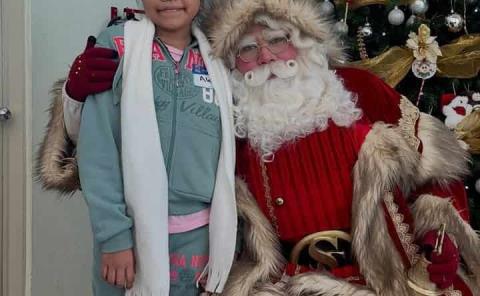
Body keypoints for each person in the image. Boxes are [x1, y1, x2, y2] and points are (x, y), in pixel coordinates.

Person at [39, 0, 480, 295]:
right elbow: (114, 149)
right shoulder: (235, 115)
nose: (266, 57)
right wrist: (75, 100)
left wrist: (438, 238)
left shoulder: (359, 90)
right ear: (233, 62)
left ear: (303, 40)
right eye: (248, 49)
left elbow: (435, 167)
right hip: (278, 283)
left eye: (277, 40)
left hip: (380, 277)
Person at [38, 0, 237, 295]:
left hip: (201, 238)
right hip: (128, 234)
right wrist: (114, 236)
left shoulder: (220, 57)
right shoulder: (118, 45)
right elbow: (98, 149)